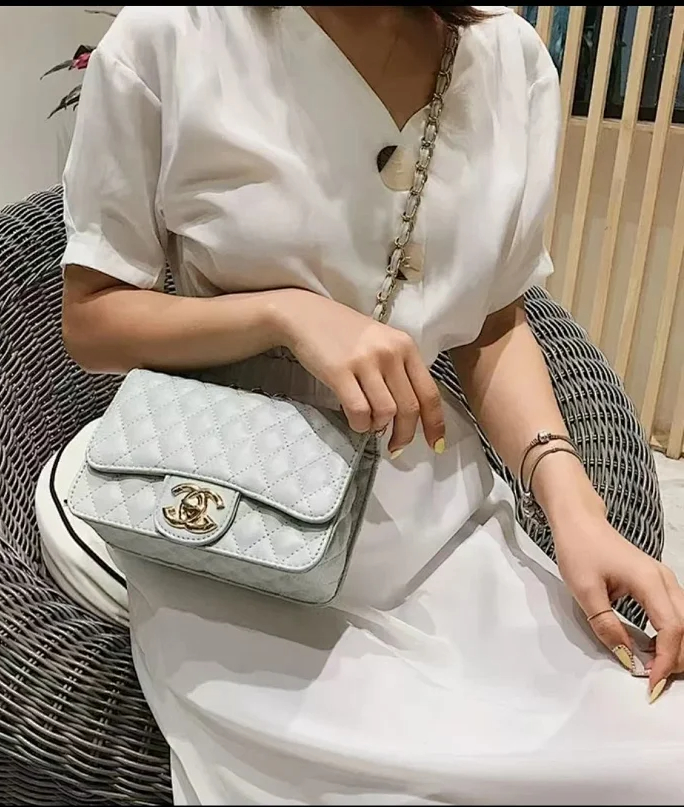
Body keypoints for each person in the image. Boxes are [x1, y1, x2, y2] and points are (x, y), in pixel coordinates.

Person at [58, 5, 684, 804]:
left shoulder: (510, 63)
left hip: (437, 523)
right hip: (236, 525)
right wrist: (282, 313)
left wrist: (573, 505)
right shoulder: (172, 40)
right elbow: (93, 319)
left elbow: (493, 326)